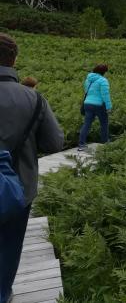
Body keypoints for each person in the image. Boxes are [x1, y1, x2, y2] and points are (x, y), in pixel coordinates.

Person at [0, 33, 64, 303]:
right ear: (15, 59)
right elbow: (55, 143)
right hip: (18, 190)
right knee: (9, 248)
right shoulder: (33, 99)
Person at [78, 64, 112, 151]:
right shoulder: (103, 81)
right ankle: (104, 143)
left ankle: (81, 144)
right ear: (104, 72)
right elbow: (105, 95)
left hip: (87, 104)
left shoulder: (88, 79)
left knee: (87, 124)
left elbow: (86, 91)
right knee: (104, 124)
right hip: (99, 105)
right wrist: (109, 107)